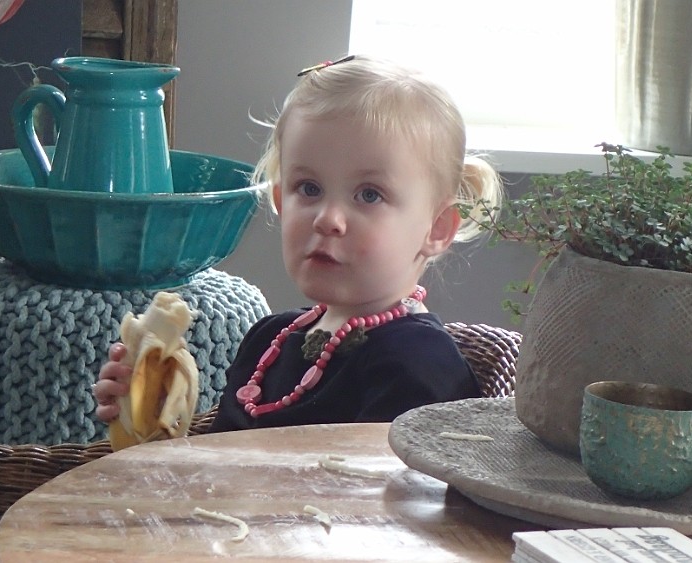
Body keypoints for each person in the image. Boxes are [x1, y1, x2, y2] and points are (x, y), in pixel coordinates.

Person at [93, 54, 503, 433]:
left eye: (369, 194)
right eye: (309, 188)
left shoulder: (418, 362)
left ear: (436, 229)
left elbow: (372, 490)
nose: (327, 219)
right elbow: (222, 466)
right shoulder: (269, 338)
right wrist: (155, 416)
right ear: (279, 199)